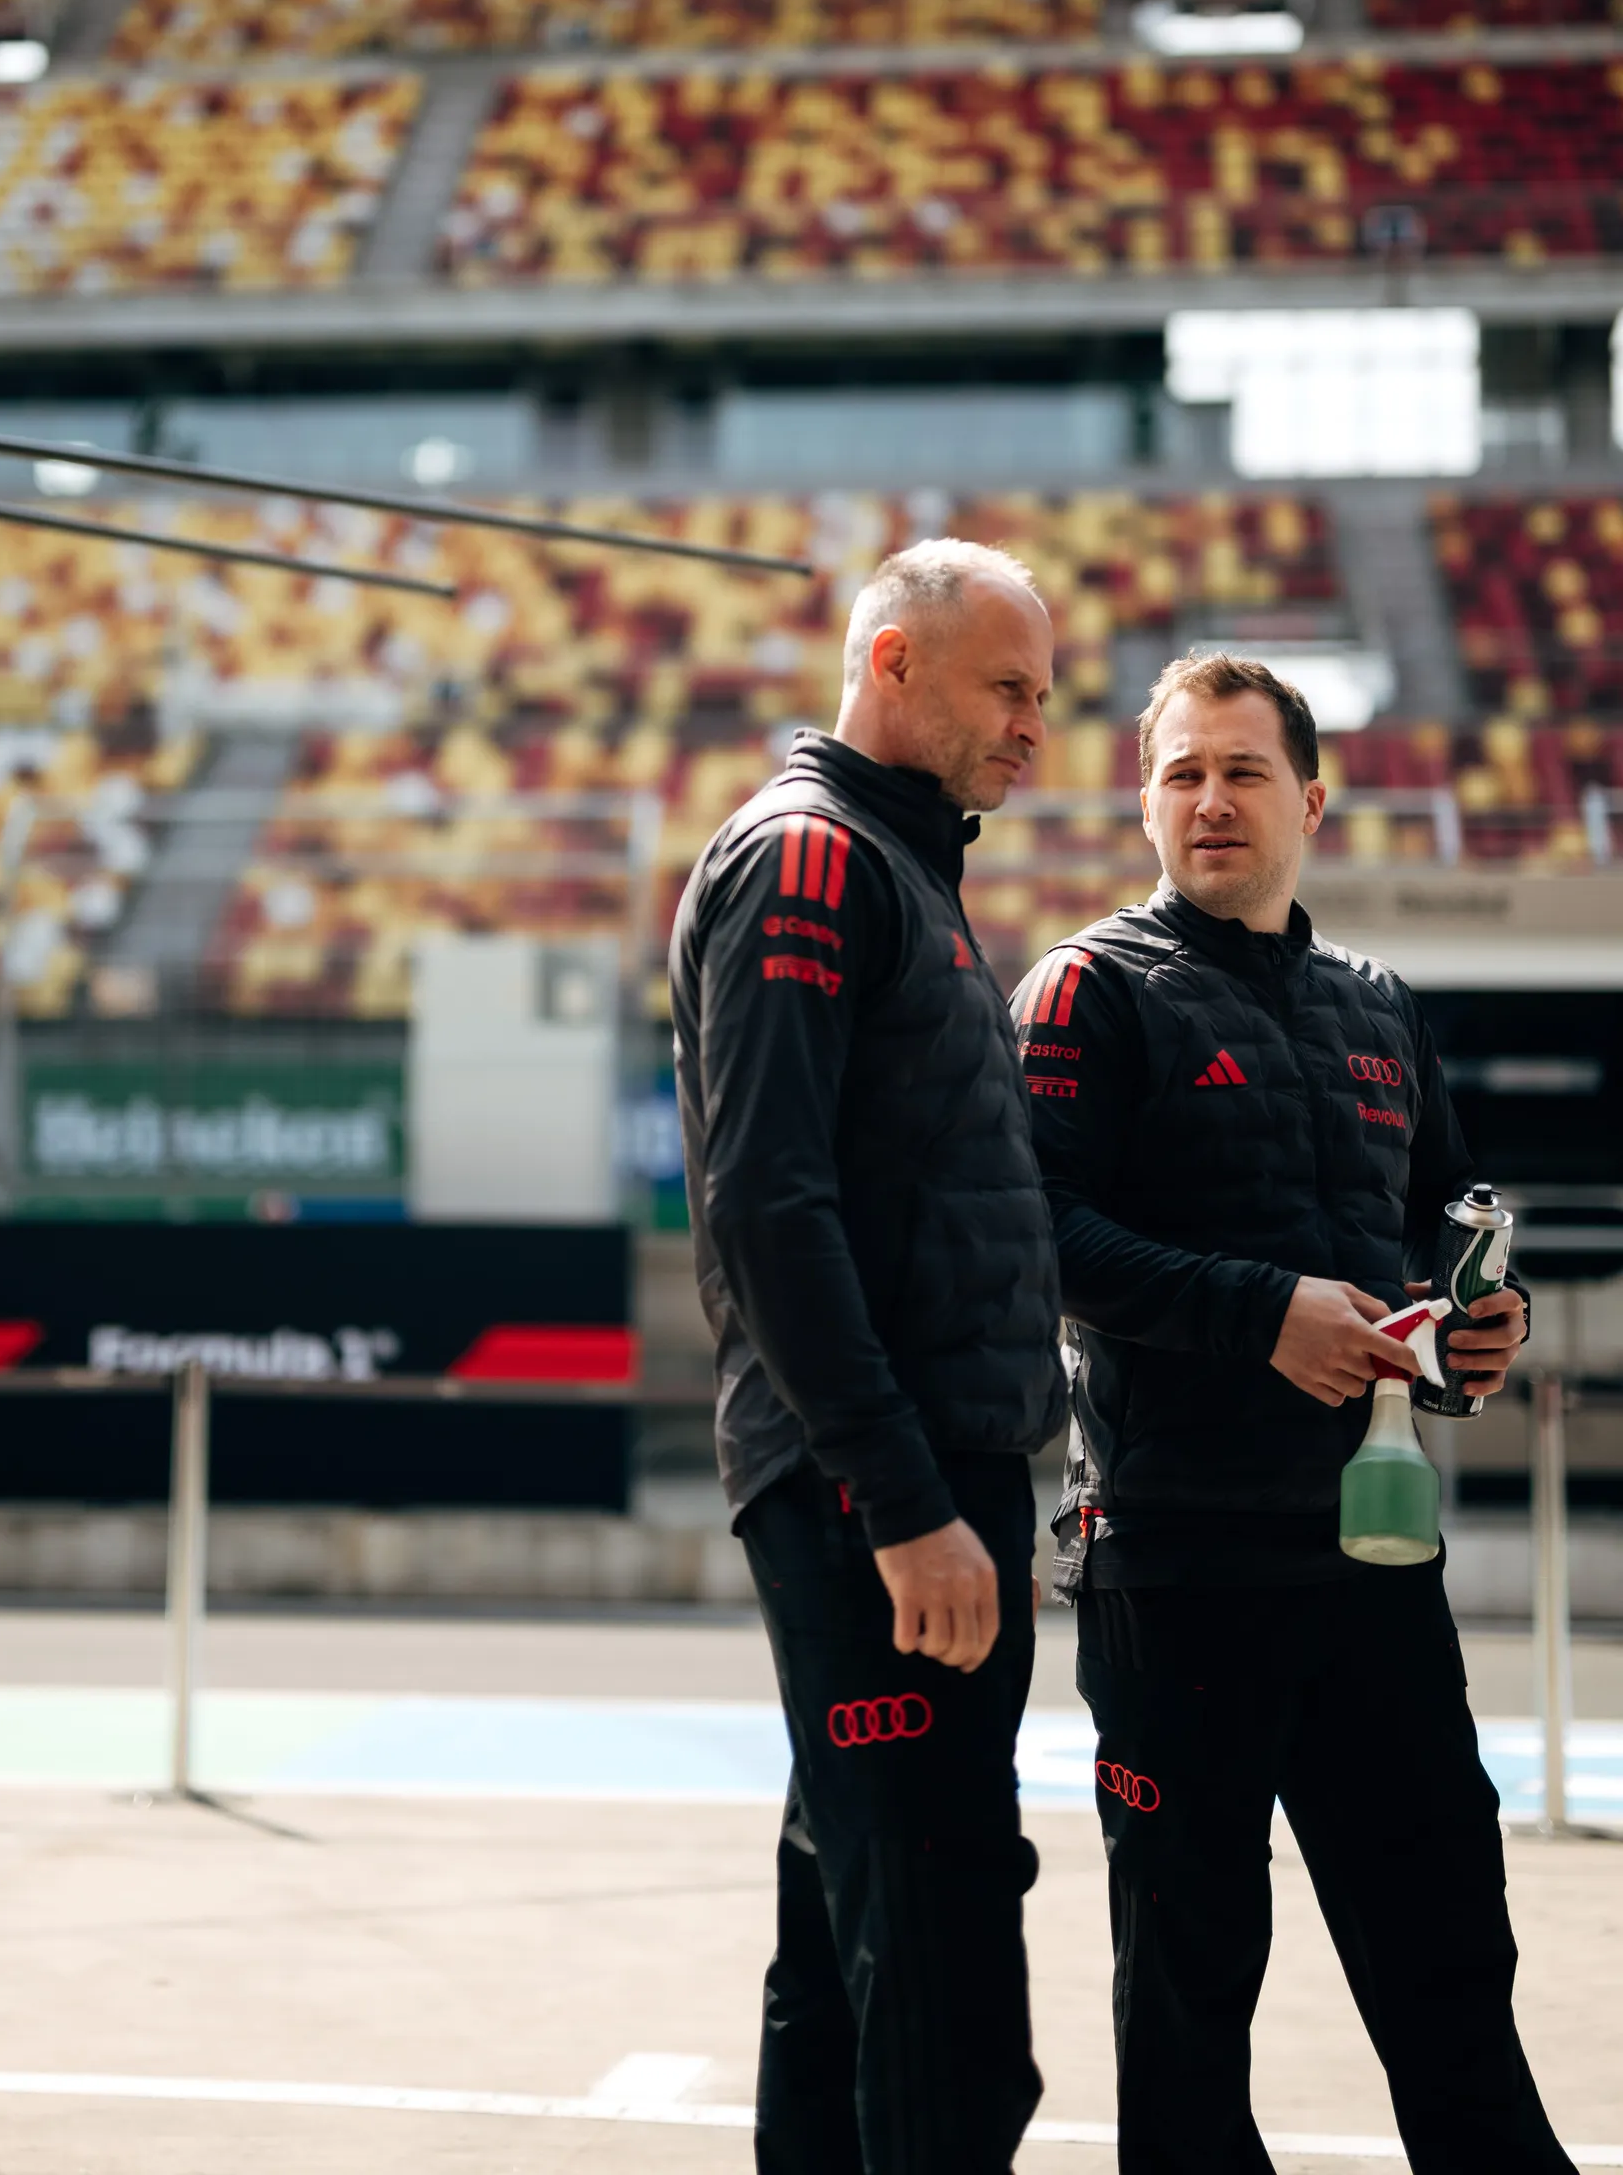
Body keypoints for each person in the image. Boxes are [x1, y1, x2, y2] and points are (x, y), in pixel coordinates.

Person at [1012, 651, 1572, 2175]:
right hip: (1177, 1566)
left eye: (1243, 771)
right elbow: (1038, 1243)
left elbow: (1424, 1257)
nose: (1210, 800)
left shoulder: (1381, 1011)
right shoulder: (1086, 990)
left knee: (1453, 1954)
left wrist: (1467, 1338)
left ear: (1310, 801)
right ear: (1144, 802)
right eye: (1182, 772)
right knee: (1190, 1998)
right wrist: (1261, 1313)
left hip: (1376, 1561)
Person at [670, 539, 1067, 2175]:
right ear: (891, 664)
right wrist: (903, 1497)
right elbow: (768, 1200)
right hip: (877, 1490)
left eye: (1043, 693)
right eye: (1006, 687)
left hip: (919, 1471)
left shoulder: (898, 867)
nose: (1036, 726)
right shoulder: (811, 860)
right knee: (941, 1962)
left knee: (851, 1952)